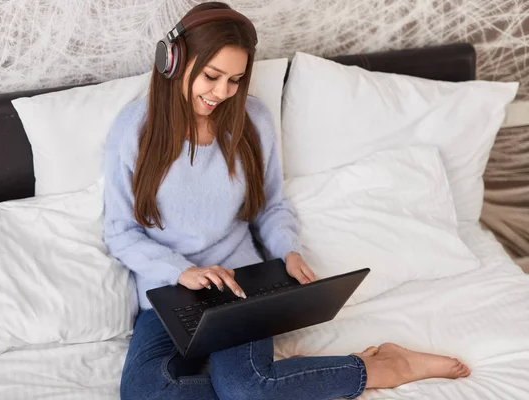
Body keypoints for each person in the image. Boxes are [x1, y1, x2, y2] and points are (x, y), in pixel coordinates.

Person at [103, 2, 471, 399]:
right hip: (168, 292)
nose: (222, 93)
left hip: (240, 289)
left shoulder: (253, 121)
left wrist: (288, 251)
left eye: (235, 80)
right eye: (212, 76)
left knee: (245, 387)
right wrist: (179, 271)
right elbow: (120, 231)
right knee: (145, 393)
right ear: (174, 60)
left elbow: (271, 205)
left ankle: (383, 367)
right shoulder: (133, 130)